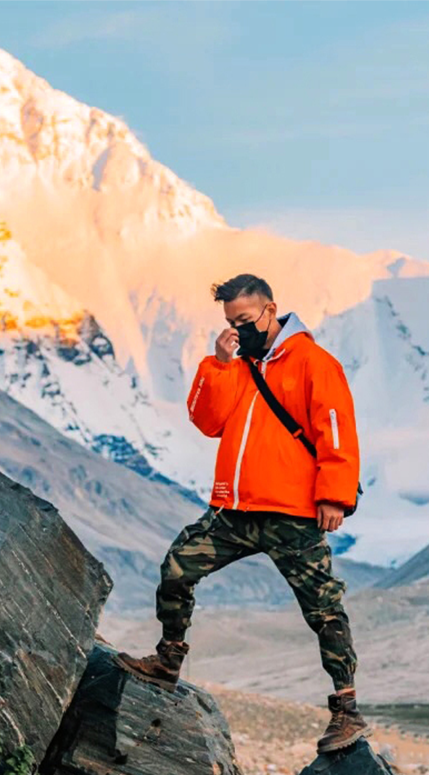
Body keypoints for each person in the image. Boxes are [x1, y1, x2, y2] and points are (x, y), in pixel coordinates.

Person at [112, 273, 370, 754]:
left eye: (245, 320)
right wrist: (220, 362)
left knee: (324, 608)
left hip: (293, 513)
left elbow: (336, 427)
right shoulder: (238, 364)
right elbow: (206, 420)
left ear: (271, 310)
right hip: (235, 507)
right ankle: (169, 660)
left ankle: (347, 712)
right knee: (176, 567)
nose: (239, 329)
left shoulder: (314, 362)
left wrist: (334, 495)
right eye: (231, 323)